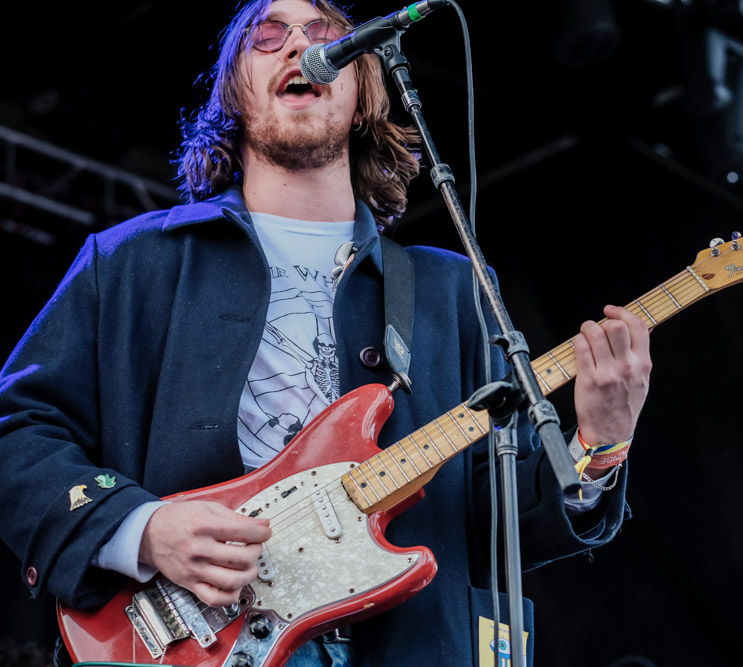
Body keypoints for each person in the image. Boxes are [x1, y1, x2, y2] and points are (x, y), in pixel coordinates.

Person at [0, 0, 652, 665]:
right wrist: (141, 528)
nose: (298, 48)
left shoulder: (449, 289)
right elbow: (15, 432)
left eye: (324, 37)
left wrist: (600, 440)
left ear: (364, 88)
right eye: (268, 37)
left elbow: (496, 518)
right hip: (181, 638)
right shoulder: (133, 263)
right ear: (234, 89)